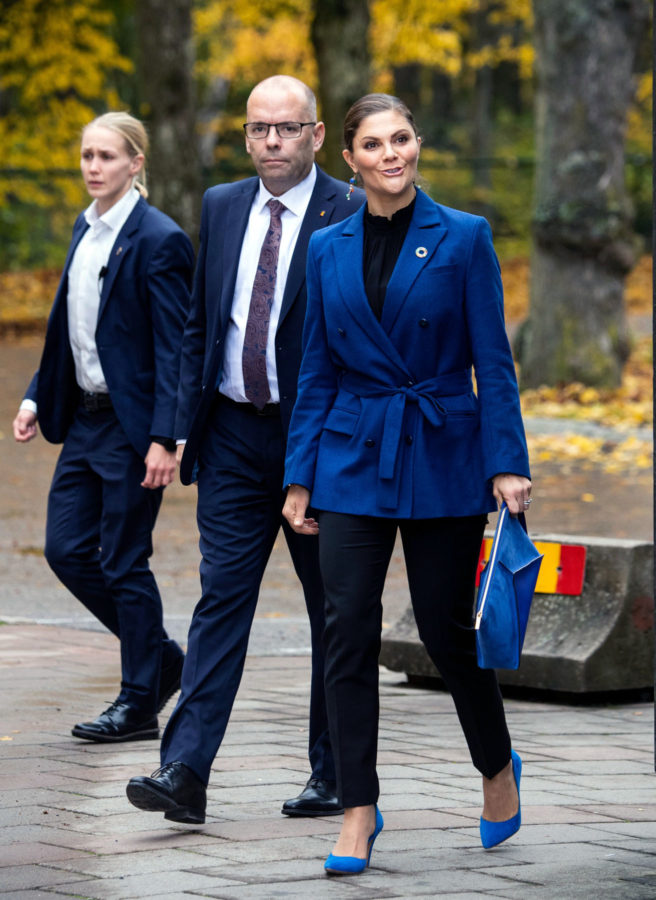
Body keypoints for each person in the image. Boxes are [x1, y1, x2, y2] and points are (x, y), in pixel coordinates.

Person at [282, 93, 532, 875]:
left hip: (442, 447)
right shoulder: (326, 246)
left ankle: (495, 764)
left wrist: (508, 460)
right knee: (345, 628)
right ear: (348, 158)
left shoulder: (464, 236)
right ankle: (358, 808)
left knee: (445, 629)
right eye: (373, 144)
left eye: (401, 139)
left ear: (417, 144)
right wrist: (299, 475)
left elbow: (493, 360)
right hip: (352, 453)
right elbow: (317, 370)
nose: (390, 154)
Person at [125, 75, 364, 825]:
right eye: (259, 128)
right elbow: (201, 323)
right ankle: (184, 770)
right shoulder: (223, 205)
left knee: (332, 610)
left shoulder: (350, 211)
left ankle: (334, 773)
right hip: (230, 434)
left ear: (316, 135)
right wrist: (176, 426)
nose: (271, 141)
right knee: (221, 600)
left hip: (314, 443)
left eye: (287, 128)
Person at [12, 112, 194, 743]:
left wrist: (167, 438)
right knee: (65, 550)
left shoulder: (160, 239)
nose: (94, 167)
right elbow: (70, 329)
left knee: (123, 560)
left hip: (132, 428)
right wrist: (35, 396)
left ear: (136, 163)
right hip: (83, 422)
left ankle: (139, 701)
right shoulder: (83, 228)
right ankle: (162, 660)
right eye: (87, 155)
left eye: (107, 156)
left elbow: (177, 349)